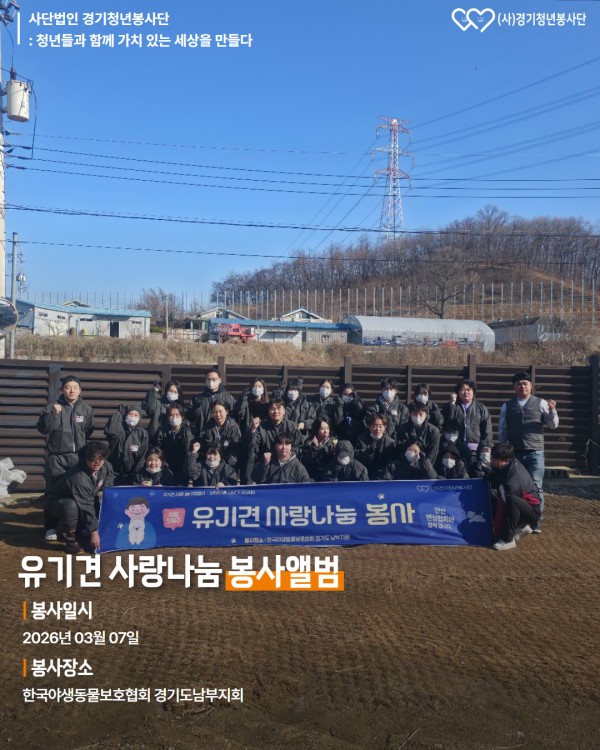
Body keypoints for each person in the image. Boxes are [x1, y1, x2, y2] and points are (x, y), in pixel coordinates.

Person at [498, 371, 559, 533]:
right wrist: (502, 449)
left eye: (525, 383)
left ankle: (536, 522)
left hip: (535, 453)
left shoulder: (541, 403)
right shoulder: (507, 406)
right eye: (518, 384)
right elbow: (502, 429)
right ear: (514, 387)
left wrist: (553, 411)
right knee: (516, 487)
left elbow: (553, 425)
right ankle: (520, 520)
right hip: (515, 453)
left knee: (536, 487)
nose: (522, 386)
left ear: (531, 386)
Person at [37, 375, 95, 541]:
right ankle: (50, 528)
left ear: (80, 390)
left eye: (75, 387)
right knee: (53, 492)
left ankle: (75, 527)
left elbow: (89, 430)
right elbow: (43, 429)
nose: (71, 390)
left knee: (78, 492)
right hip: (57, 458)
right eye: (68, 387)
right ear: (62, 390)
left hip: (78, 459)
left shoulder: (87, 409)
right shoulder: (52, 407)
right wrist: (54, 415)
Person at [44, 441, 113, 554]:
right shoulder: (79, 477)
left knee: (99, 502)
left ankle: (83, 532)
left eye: (100, 459)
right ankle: (71, 542)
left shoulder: (105, 465)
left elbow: (109, 476)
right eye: (92, 459)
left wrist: (105, 488)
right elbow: (86, 506)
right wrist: (94, 533)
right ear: (85, 458)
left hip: (82, 499)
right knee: (71, 506)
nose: (97, 462)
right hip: (57, 502)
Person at [489, 442, 541, 551]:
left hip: (532, 511)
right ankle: (521, 528)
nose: (491, 461)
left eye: (495, 460)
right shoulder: (506, 465)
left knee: (511, 500)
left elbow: (503, 506)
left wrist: (496, 533)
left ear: (506, 460)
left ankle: (508, 540)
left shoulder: (514, 479)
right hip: (522, 506)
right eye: (492, 458)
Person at [243, 399, 303, 481]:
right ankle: (249, 482)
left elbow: (299, 446)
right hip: (268, 461)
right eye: (272, 409)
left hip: (287, 460)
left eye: (279, 408)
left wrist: (290, 455)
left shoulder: (292, 426)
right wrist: (253, 429)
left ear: (284, 411)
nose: (276, 411)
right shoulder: (262, 427)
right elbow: (252, 446)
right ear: (268, 411)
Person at [441, 379, 493, 462]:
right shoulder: (452, 406)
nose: (466, 392)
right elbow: (446, 422)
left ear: (473, 392)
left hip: (475, 450)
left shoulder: (481, 408)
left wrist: (486, 446)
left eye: (468, 390)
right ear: (458, 392)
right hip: (455, 450)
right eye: (462, 390)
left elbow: (487, 428)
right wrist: (452, 405)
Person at [104, 404, 149, 485]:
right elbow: (110, 430)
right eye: (130, 414)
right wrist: (118, 414)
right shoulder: (118, 430)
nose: (133, 417)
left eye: (136, 415)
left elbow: (143, 456)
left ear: (140, 417)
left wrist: (136, 475)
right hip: (114, 473)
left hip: (132, 475)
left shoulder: (143, 434)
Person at [186, 368, 235, 437]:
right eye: (208, 379)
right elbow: (189, 418)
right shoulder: (197, 398)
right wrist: (196, 409)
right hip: (202, 437)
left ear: (220, 380)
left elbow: (234, 417)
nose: (211, 382)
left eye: (214, 379)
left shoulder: (228, 398)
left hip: (223, 437)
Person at [154, 403, 194, 484]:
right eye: (171, 415)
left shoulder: (188, 430)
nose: (174, 417)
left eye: (177, 415)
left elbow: (189, 448)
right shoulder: (162, 430)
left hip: (183, 468)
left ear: (182, 416)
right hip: (167, 467)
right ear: (168, 417)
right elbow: (157, 448)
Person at [198, 400, 242, 469]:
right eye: (215, 412)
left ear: (227, 412)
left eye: (220, 411)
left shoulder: (234, 427)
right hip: (212, 460)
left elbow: (236, 447)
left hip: (228, 461)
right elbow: (205, 444)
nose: (218, 415)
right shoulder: (208, 426)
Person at [396, 402, 441, 466]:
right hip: (405, 465)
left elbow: (432, 454)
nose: (417, 416)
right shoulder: (402, 429)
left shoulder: (434, 432)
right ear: (410, 414)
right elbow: (399, 450)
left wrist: (425, 466)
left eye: (420, 414)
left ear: (425, 415)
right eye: (415, 414)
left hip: (425, 465)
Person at [354, 414, 397, 480]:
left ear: (385, 426)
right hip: (365, 473)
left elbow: (390, 462)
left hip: (383, 475)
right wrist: (370, 450)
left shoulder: (390, 442)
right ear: (369, 426)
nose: (378, 429)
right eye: (374, 426)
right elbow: (359, 458)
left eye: (380, 426)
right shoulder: (361, 439)